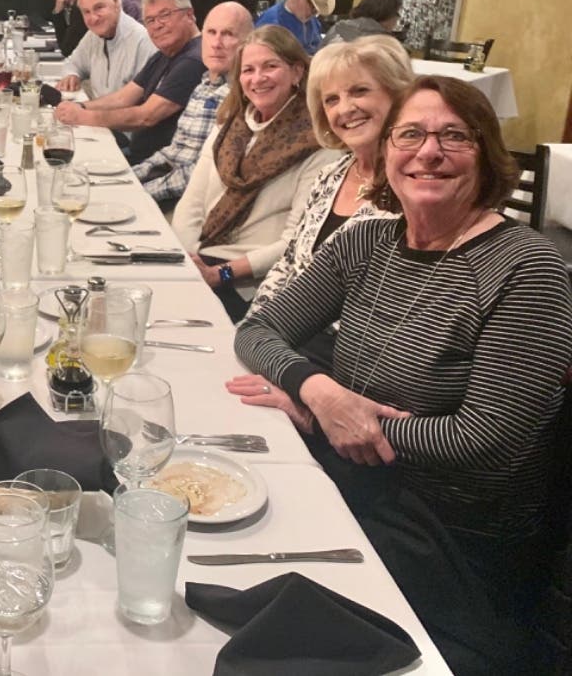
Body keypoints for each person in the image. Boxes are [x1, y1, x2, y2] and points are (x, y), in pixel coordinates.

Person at [230, 75, 572, 674]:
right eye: (409, 134)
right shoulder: (365, 242)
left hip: (452, 540)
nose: (428, 152)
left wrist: (320, 419)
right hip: (357, 488)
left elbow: (484, 439)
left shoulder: (528, 268)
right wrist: (318, 388)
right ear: (385, 152)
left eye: (453, 137)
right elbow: (256, 331)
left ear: (486, 153)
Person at [245, 36, 414, 366]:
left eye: (360, 91)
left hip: (352, 361)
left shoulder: (415, 184)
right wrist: (251, 330)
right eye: (331, 99)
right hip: (289, 339)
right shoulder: (333, 173)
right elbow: (289, 265)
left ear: (397, 95)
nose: (345, 109)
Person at [172, 25, 339, 322]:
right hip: (201, 259)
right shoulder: (229, 127)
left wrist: (219, 274)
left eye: (270, 66)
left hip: (250, 284)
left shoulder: (318, 143)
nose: (257, 78)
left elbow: (296, 241)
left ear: (297, 72)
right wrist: (187, 260)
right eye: (248, 70)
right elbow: (192, 202)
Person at [54, 0, 202, 162]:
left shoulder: (193, 60)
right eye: (150, 20)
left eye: (165, 15)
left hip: (155, 163)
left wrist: (84, 116)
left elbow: (146, 116)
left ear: (189, 15)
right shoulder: (167, 52)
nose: (157, 26)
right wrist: (81, 107)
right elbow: (123, 97)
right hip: (139, 154)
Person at [132, 2, 253, 210]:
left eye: (228, 34)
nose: (216, 43)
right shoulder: (205, 83)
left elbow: (201, 175)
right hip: (165, 188)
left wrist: (141, 193)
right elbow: (173, 153)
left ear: (247, 43)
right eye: (211, 32)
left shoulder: (243, 96)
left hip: (190, 205)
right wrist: (131, 178)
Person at [55, 0, 157, 98]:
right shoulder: (93, 36)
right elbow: (73, 63)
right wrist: (71, 75)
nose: (93, 18)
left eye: (99, 8)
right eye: (86, 12)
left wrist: (85, 110)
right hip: (97, 112)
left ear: (117, 2)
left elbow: (142, 105)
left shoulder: (143, 42)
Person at [255, 0, 334, 55]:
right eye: (312, 6)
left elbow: (317, 45)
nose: (314, 12)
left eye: (317, 9)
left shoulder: (310, 19)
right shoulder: (272, 24)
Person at [320, 0, 403, 48]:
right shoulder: (385, 43)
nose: (397, 19)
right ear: (388, 14)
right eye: (397, 14)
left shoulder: (337, 28)